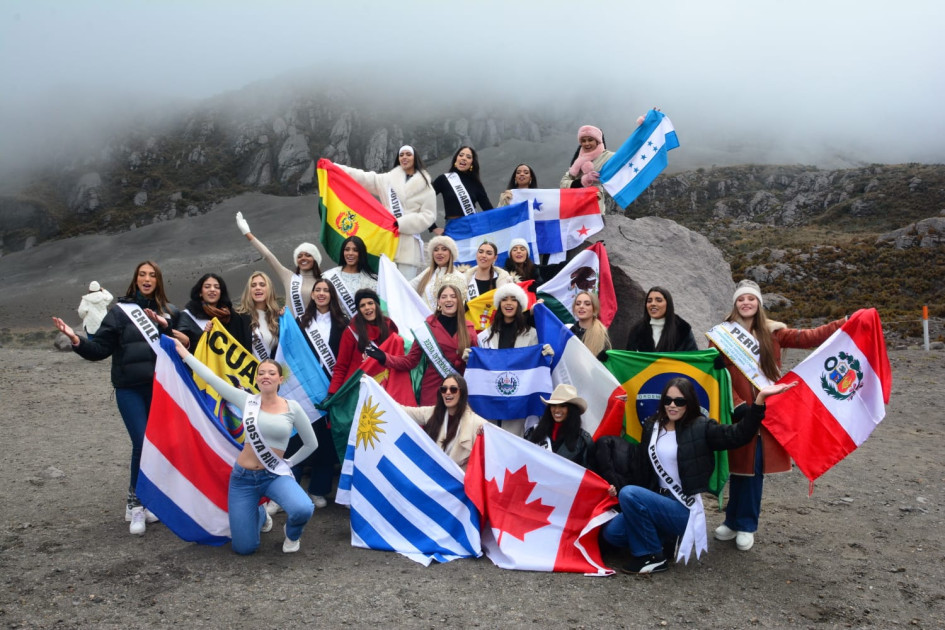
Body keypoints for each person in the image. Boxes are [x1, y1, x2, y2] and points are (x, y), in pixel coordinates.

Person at [602, 377, 797, 574]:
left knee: (630, 494)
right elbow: (641, 468)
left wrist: (759, 400)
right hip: (654, 499)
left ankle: (652, 557)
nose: (672, 405)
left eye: (679, 401)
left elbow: (739, 434)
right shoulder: (652, 426)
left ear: (689, 403)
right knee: (612, 533)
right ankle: (664, 539)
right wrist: (617, 486)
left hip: (683, 506)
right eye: (668, 400)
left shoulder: (700, 427)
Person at [708, 279, 846, 552]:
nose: (746, 303)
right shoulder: (721, 336)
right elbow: (718, 374)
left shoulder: (774, 333)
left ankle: (746, 525)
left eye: (751, 298)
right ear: (735, 304)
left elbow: (809, 337)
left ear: (759, 303)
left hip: (766, 413)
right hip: (737, 412)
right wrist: (737, 403)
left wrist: (844, 323)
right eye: (741, 299)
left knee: (755, 468)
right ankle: (732, 521)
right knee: (738, 467)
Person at [52, 261, 180, 535]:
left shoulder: (167, 312)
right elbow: (100, 349)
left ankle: (148, 500)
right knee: (141, 442)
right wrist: (76, 340)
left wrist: (166, 328)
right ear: (135, 279)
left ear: (158, 281)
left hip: (159, 389)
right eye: (142, 274)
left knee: (157, 445)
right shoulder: (120, 312)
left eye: (152, 275)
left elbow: (175, 350)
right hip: (129, 389)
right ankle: (135, 504)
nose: (147, 279)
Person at [173, 339, 317, 555]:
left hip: (274, 475)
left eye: (271, 373)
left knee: (303, 508)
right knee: (244, 548)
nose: (266, 376)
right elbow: (211, 378)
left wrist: (289, 463)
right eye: (261, 373)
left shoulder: (292, 407)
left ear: (280, 379)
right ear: (256, 378)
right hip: (243, 479)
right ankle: (261, 514)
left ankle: (292, 534)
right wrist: (184, 353)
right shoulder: (246, 400)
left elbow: (311, 443)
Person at [367, 274, 476, 406]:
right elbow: (410, 361)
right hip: (433, 391)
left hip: (459, 391)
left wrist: (470, 359)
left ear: (460, 299)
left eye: (453, 296)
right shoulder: (427, 328)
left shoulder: (469, 329)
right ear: (438, 302)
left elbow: (477, 365)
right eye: (444, 297)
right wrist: (384, 357)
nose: (449, 300)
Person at [290, 279, 349, 508]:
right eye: (318, 290)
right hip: (304, 389)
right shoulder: (299, 322)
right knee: (297, 438)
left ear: (332, 295)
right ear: (312, 295)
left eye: (326, 290)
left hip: (331, 389)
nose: (322, 293)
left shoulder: (343, 323)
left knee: (325, 441)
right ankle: (289, 490)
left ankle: (318, 490)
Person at [335, 146, 435, 280]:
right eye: (401, 155)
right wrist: (335, 167)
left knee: (406, 285)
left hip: (409, 245)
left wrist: (401, 223)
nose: (404, 157)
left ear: (415, 158)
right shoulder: (387, 180)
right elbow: (363, 177)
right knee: (385, 286)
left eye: (408, 154)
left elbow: (428, 215)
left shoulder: (426, 187)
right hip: (386, 241)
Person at [477, 283, 553, 436]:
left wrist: (547, 357)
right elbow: (481, 371)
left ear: (519, 304)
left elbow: (537, 369)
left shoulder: (532, 334)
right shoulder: (485, 336)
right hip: (492, 401)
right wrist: (471, 359)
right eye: (504, 299)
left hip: (519, 401)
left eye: (513, 299)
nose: (509, 303)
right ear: (499, 304)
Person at [235, 212, 322, 318]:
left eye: (308, 255)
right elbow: (268, 256)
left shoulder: (323, 281)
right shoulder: (289, 277)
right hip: (289, 326)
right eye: (299, 256)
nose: (303, 258)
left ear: (315, 259)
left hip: (314, 327)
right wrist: (247, 233)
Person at [399, 374, 486, 471]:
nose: (447, 392)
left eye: (453, 389)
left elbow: (493, 444)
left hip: (460, 478)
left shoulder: (477, 423)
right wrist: (384, 400)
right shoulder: (432, 412)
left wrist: (484, 433)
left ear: (462, 393)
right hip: (432, 474)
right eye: (444, 389)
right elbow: (402, 411)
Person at [328, 289, 399, 395]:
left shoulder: (390, 328)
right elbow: (341, 366)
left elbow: (397, 361)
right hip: (357, 390)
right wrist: (332, 393)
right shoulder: (351, 332)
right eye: (362, 305)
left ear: (377, 305)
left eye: (370, 303)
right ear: (359, 310)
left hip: (383, 390)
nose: (367, 307)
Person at [177, 273, 252, 351]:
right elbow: (180, 348)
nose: (212, 290)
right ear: (200, 292)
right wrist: (205, 336)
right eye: (207, 287)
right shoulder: (188, 316)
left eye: (217, 287)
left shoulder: (231, 316)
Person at [524, 384, 594, 467]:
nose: (557, 410)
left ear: (572, 409)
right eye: (553, 405)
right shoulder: (533, 432)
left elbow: (588, 472)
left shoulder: (583, 441)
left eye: (563, 406)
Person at [430, 145, 493, 234]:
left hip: (473, 229)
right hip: (453, 229)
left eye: (468, 157)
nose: (464, 158)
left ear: (472, 163)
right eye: (461, 155)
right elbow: (423, 200)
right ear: (456, 159)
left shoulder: (476, 183)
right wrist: (433, 227)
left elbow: (489, 211)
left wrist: (506, 203)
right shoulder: (444, 179)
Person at [559, 125, 615, 215]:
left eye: (590, 140)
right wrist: (582, 181)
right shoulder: (578, 159)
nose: (586, 143)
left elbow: (626, 158)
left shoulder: (608, 157)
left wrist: (640, 132)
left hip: (596, 205)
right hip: (577, 205)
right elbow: (563, 182)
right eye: (583, 141)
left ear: (597, 141)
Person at [625, 287, 698, 353]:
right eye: (649, 301)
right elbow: (629, 359)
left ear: (668, 304)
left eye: (659, 300)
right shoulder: (637, 330)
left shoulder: (683, 329)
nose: (653, 304)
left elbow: (693, 358)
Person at [321, 235, 378, 318]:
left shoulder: (372, 280)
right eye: (347, 249)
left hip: (362, 325)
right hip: (336, 323)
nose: (350, 253)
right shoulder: (329, 276)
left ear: (361, 253)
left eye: (355, 250)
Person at [235, 271, 281, 361]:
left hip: (268, 369)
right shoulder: (238, 317)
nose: (258, 288)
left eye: (262, 285)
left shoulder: (276, 319)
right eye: (253, 285)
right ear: (249, 291)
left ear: (269, 289)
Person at [411, 235, 460, 311]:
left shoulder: (458, 276)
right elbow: (407, 287)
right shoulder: (428, 272)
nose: (439, 253)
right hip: (424, 317)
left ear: (451, 253)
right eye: (436, 250)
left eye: (444, 249)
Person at [569, 291, 611, 359]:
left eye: (587, 304)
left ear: (594, 308)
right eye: (578, 304)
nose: (581, 306)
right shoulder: (568, 333)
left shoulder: (603, 336)